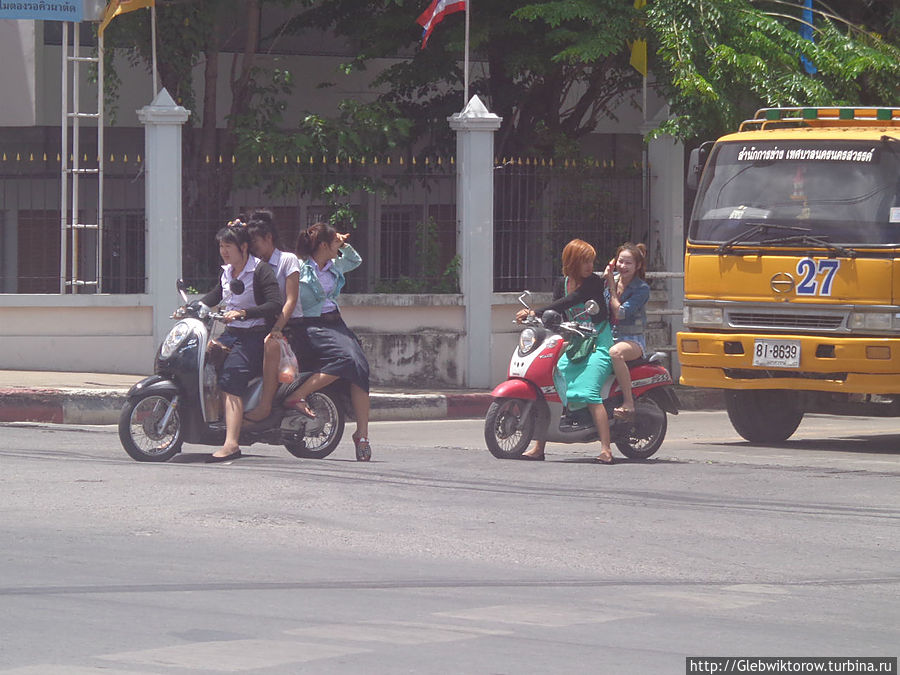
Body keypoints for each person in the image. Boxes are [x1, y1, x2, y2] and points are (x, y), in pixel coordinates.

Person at [515, 239, 615, 464]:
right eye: (584, 261)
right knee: (551, 384)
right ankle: (539, 447)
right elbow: (556, 311)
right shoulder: (562, 282)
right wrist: (536, 317)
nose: (590, 266)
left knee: (589, 390)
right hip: (576, 341)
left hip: (599, 341)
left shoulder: (594, 283)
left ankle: (606, 449)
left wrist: (535, 310)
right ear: (572, 262)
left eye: (591, 261)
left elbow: (570, 301)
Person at [282, 222, 374, 462]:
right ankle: (296, 395)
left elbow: (355, 261)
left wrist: (344, 242)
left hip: (335, 324)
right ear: (323, 245)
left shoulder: (335, 266)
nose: (338, 247)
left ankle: (362, 435)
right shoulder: (299, 268)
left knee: (360, 367)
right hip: (311, 324)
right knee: (347, 359)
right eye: (335, 243)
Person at [200, 220, 282, 462]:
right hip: (231, 333)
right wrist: (191, 308)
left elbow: (275, 303)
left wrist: (245, 313)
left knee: (231, 378)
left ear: (244, 247)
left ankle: (232, 443)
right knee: (203, 363)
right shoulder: (227, 272)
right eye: (221, 246)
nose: (224, 251)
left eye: (229, 246)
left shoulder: (260, 271)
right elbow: (214, 296)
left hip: (254, 336)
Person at [243, 210, 303, 423]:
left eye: (256, 242)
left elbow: (291, 300)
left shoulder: (288, 260)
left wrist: (277, 328)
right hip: (262, 322)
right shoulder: (251, 265)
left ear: (269, 238)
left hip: (288, 324)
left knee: (271, 345)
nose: (253, 249)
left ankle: (265, 406)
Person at [604, 242, 651, 420]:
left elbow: (621, 312)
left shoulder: (641, 289)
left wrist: (611, 287)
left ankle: (628, 402)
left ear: (638, 266)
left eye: (628, 263)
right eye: (620, 261)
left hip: (632, 340)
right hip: (609, 335)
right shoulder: (611, 280)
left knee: (615, 353)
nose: (622, 266)